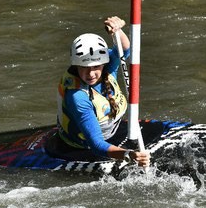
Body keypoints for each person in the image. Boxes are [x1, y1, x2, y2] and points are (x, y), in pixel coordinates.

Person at [57, 16, 150, 168]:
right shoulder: (78, 97)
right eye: (84, 68)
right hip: (82, 147)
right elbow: (96, 144)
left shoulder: (108, 66)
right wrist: (129, 155)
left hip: (112, 130)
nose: (91, 74)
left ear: (103, 63)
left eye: (96, 67)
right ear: (76, 66)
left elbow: (125, 50)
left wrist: (117, 31)